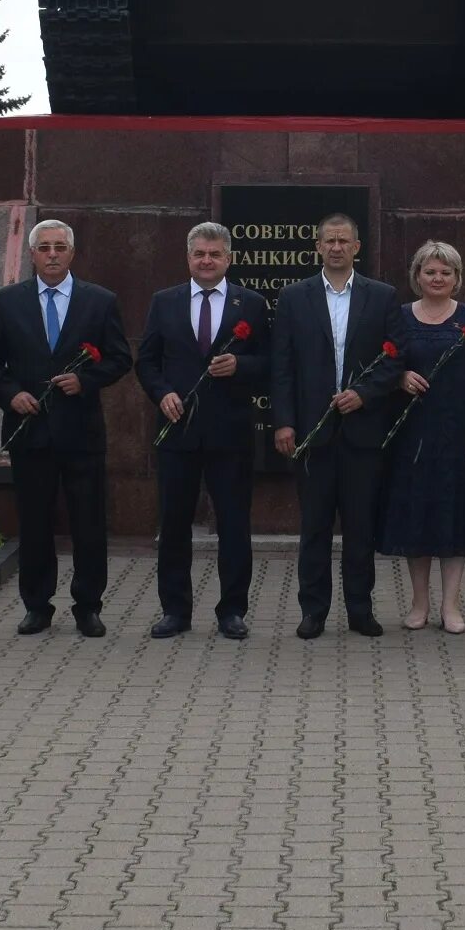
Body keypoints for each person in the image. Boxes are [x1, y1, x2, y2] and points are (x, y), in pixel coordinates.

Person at [0, 218, 129, 638]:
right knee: (36, 522)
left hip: (82, 433)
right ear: (32, 254)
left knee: (89, 524)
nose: (53, 254)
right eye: (44, 247)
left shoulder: (99, 301)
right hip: (31, 432)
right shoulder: (9, 301)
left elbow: (119, 358)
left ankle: (88, 606)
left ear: (72, 253)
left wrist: (87, 380)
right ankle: (37, 606)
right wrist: (11, 395)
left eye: (60, 247)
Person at [136, 224, 273, 640]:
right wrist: (162, 394)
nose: (207, 260)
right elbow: (147, 361)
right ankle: (175, 611)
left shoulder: (250, 303)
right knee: (174, 524)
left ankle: (232, 611)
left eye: (215, 254)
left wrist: (241, 367)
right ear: (188, 257)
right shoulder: (164, 302)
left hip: (229, 434)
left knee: (234, 525)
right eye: (199, 254)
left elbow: (270, 363)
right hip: (177, 432)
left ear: (229, 258)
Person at [270, 213, 399, 640]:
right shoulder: (293, 297)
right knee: (315, 529)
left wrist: (364, 392)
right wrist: (285, 422)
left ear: (357, 247)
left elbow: (395, 359)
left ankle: (360, 610)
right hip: (311, 434)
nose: (337, 247)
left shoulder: (382, 297)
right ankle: (314, 612)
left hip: (363, 433)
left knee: (360, 528)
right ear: (318, 246)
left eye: (345, 240)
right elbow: (282, 367)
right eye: (330, 240)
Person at [374, 242, 465, 633]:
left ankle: (451, 605)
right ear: (417, 276)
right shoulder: (398, 317)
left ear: (457, 278)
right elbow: (383, 365)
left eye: (446, 272)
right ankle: (419, 604)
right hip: (412, 433)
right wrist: (399, 377)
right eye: (430, 272)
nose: (438, 278)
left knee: (453, 513)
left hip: (458, 431)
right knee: (417, 513)